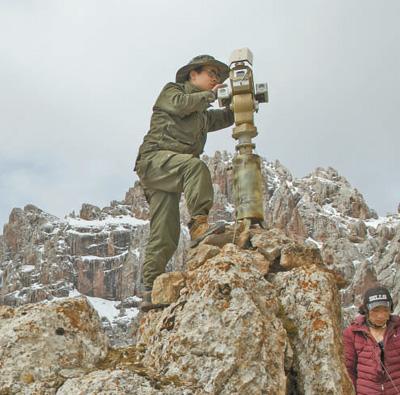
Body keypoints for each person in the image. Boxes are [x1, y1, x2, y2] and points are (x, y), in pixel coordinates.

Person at [134, 55, 234, 311]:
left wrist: (241, 104)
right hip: (155, 160)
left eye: (219, 77)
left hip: (168, 171)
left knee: (165, 233)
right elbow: (180, 105)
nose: (215, 79)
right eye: (211, 73)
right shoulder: (173, 92)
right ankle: (200, 226)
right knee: (195, 166)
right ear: (193, 74)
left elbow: (221, 118)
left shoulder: (200, 113)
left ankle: (150, 289)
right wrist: (211, 97)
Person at [343, 286, 400, 394]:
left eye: (385, 310)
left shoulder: (398, 330)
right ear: (366, 311)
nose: (381, 315)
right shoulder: (352, 333)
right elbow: (348, 370)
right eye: (375, 310)